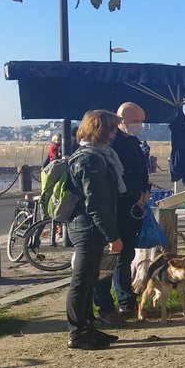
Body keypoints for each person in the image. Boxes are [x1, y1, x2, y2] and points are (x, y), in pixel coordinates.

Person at [63, 110, 124, 350]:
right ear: (100, 130)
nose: (114, 132)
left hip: (87, 226)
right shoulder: (90, 159)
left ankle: (87, 327)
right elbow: (96, 203)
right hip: (87, 228)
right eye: (111, 128)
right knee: (81, 281)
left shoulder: (95, 156)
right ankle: (77, 332)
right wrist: (113, 236)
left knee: (88, 282)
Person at [93, 101, 151, 326]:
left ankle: (126, 301)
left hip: (132, 209)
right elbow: (117, 179)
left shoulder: (133, 141)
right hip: (116, 209)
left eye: (142, 121)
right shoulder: (112, 143)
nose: (140, 125)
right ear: (121, 120)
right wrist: (134, 194)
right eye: (136, 121)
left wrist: (144, 191)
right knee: (108, 260)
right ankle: (105, 306)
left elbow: (139, 171)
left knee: (125, 258)